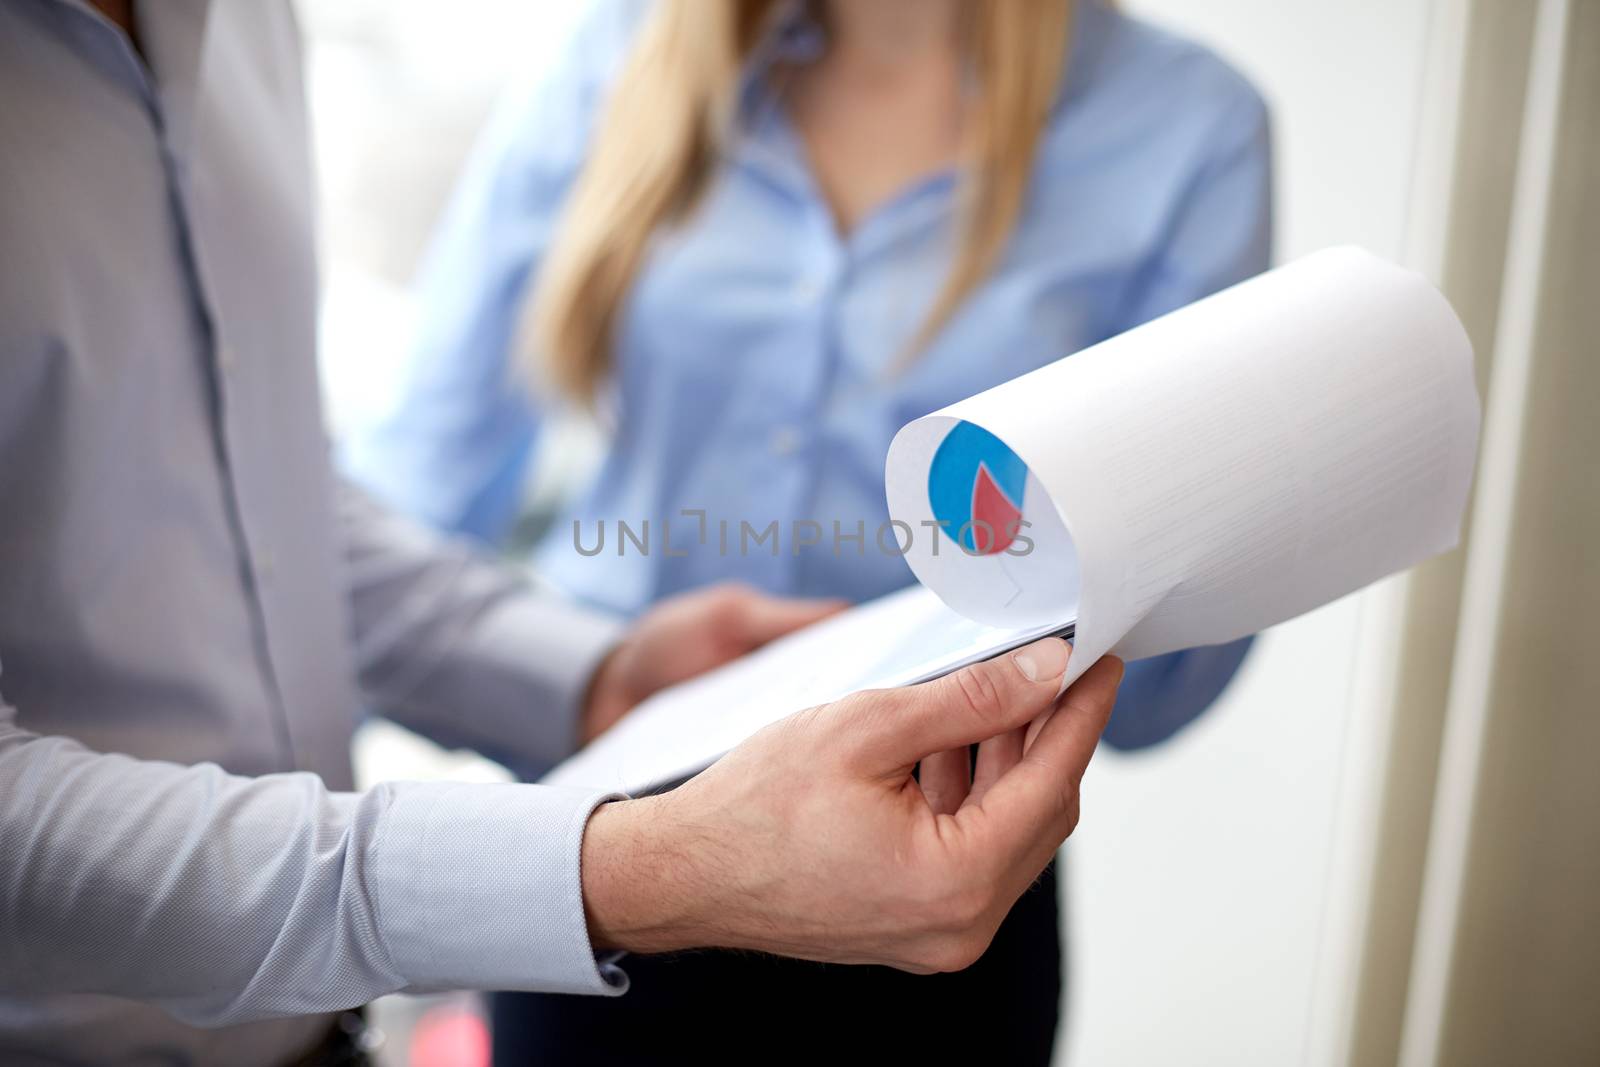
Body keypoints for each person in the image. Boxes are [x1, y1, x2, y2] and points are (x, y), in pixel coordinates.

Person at [0, 2, 1126, 1065]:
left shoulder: (240, 27)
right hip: (601, 890)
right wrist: (633, 864)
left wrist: (593, 675)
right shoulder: (624, 51)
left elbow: (260, 498)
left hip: (341, 1012)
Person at [346, 0, 1271, 1061]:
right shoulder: (622, 50)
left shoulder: (1186, 128)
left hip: (935, 902)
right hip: (612, 864)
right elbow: (407, 503)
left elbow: (1162, 682)